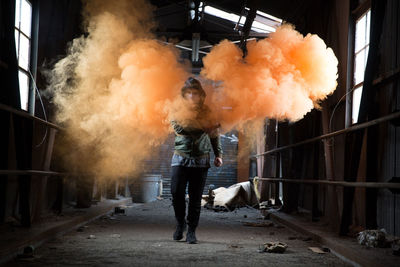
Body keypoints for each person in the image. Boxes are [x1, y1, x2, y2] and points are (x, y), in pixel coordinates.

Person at [170, 77, 223, 244]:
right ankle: (180, 224)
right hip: (181, 156)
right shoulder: (176, 110)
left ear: (201, 95)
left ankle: (192, 230)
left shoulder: (208, 112)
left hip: (201, 158)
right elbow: (180, 128)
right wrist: (203, 127)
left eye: (195, 93)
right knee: (176, 193)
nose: (192, 97)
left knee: (195, 196)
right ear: (184, 95)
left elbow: (214, 134)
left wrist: (218, 154)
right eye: (189, 94)